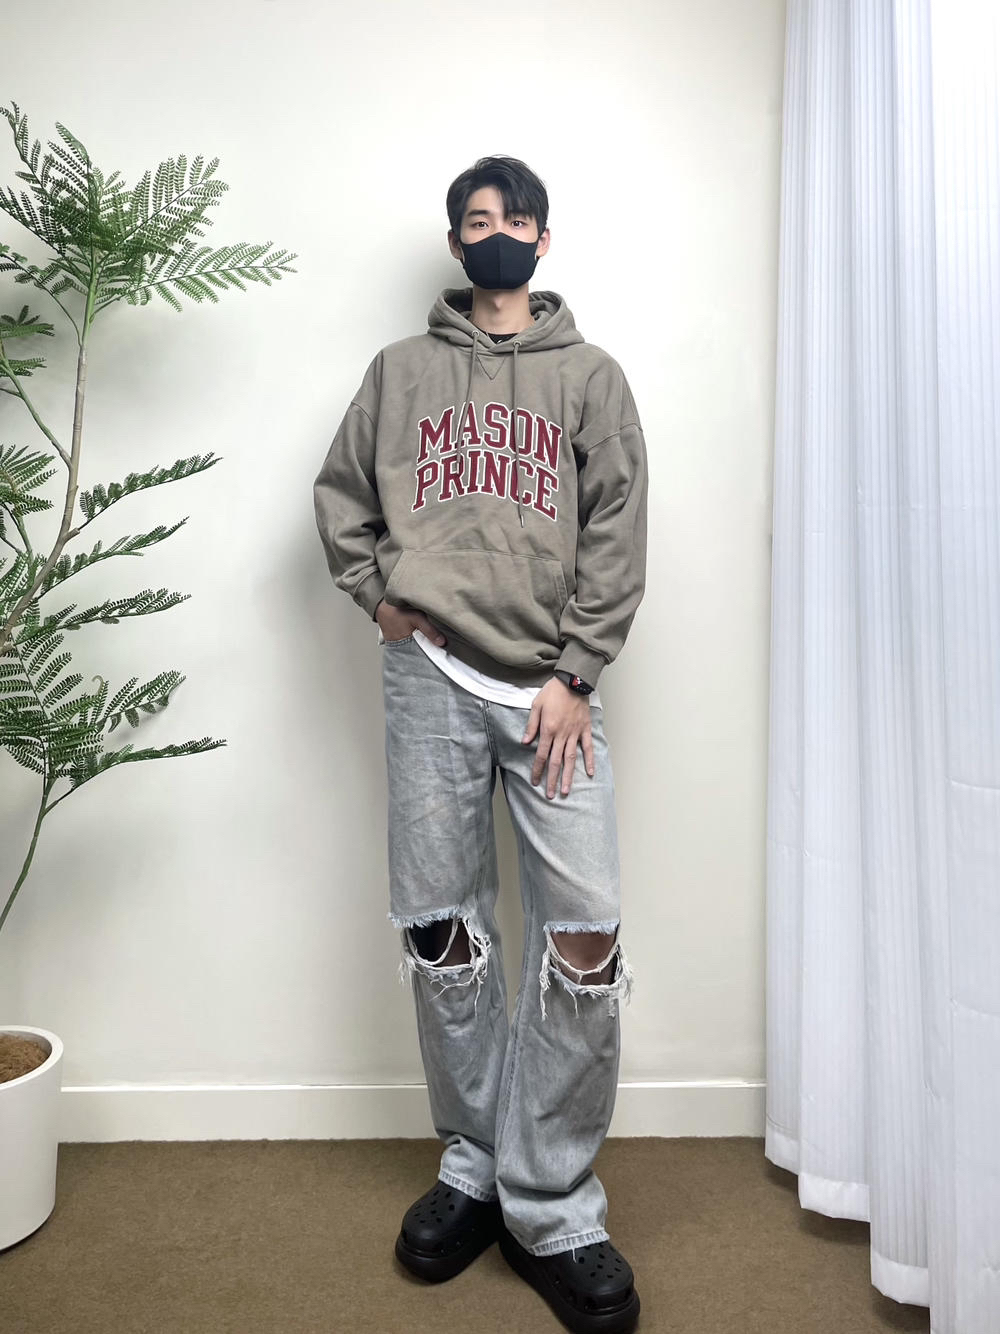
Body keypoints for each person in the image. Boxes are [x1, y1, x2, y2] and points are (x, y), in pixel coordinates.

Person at [313, 154, 648, 1334]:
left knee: (583, 933)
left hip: (549, 689)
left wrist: (576, 671)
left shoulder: (589, 378)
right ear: (457, 243)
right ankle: (474, 1163)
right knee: (440, 925)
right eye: (475, 218)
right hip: (430, 675)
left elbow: (616, 529)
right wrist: (378, 597)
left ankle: (552, 1200)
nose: (494, 232)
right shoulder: (400, 371)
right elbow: (341, 493)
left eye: (513, 218)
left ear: (542, 241)